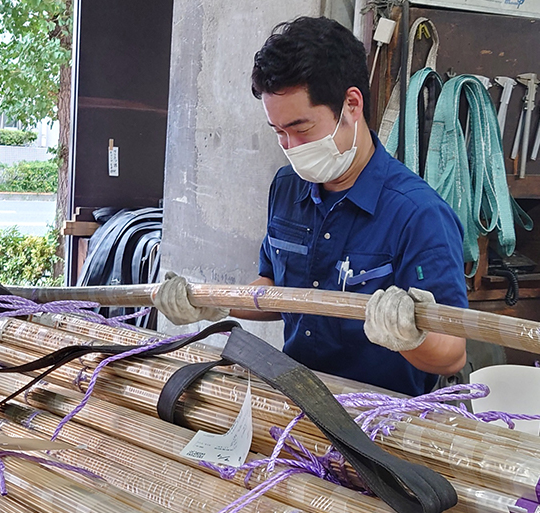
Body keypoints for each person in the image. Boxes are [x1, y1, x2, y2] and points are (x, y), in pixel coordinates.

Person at [154, 16, 467, 397]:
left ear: (351, 104)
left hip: (382, 419)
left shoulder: (418, 214)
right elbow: (273, 288)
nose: (290, 147)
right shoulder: (287, 187)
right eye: (279, 132)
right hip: (297, 400)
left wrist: (409, 335)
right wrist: (213, 302)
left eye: (302, 129)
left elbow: (451, 355)